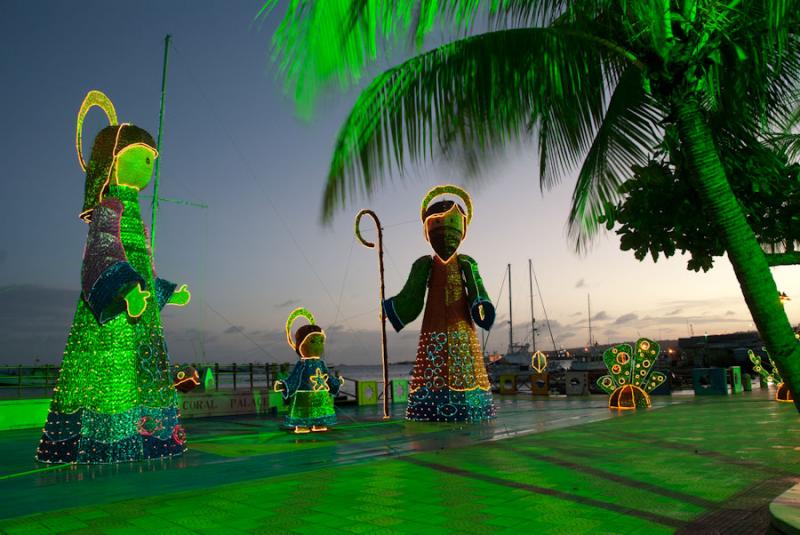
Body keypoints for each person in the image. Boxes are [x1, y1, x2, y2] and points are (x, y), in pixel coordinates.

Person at [36, 91, 190, 464]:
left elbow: (143, 266)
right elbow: (102, 253)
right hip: (115, 314)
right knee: (113, 377)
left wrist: (164, 290)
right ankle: (108, 443)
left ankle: (150, 438)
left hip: (142, 313)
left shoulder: (136, 215)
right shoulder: (111, 207)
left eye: (152, 160)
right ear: (112, 163)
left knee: (141, 376)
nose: (148, 166)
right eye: (141, 157)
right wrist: (123, 290)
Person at [383, 185, 495, 422]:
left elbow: (477, 287)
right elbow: (411, 293)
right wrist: (392, 308)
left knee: (463, 358)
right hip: (433, 319)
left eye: (453, 223)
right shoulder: (424, 264)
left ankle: (469, 405)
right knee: (432, 360)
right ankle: (430, 406)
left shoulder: (466, 262)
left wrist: (481, 304)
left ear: (462, 229)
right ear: (427, 230)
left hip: (460, 319)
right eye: (436, 223)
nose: (445, 232)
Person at [275, 308, 343, 433]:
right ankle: (302, 425)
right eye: (312, 341)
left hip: (320, 393)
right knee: (303, 411)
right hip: (303, 395)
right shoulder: (302, 365)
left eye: (321, 341)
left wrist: (336, 382)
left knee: (320, 411)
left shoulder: (321, 363)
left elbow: (327, 376)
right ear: (300, 345)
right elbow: (294, 378)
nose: (318, 345)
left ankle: (319, 423)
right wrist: (284, 385)